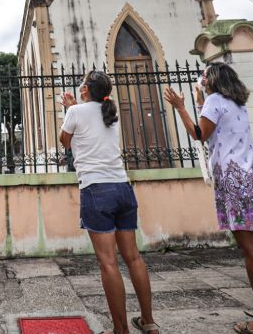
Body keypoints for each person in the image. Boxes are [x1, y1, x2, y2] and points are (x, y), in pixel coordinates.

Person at [163, 63, 253, 334]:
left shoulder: (214, 101)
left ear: (211, 80)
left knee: (251, 250)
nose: (201, 78)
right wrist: (200, 103)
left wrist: (180, 107)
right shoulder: (235, 103)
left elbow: (199, 134)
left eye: (204, 75)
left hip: (233, 179)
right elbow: (218, 130)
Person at [60, 71, 159, 334]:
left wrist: (70, 110)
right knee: (134, 257)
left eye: (82, 84)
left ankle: (120, 329)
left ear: (85, 90)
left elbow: (65, 142)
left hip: (96, 190)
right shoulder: (110, 113)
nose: (79, 87)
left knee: (108, 263)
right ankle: (149, 322)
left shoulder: (76, 112)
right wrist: (74, 109)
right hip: (122, 187)